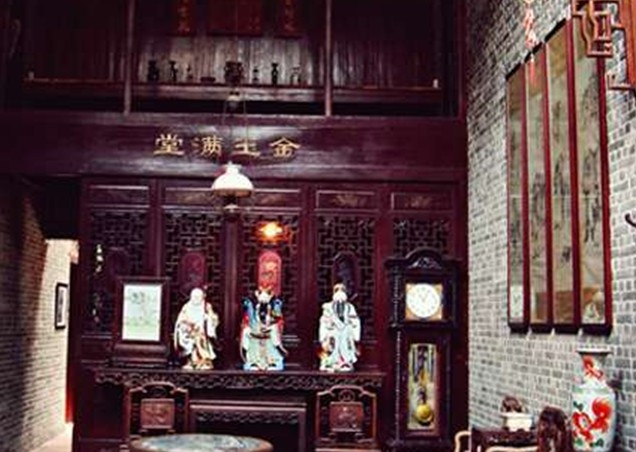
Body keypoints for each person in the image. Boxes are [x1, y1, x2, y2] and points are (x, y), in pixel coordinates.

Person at [240, 287, 286, 371]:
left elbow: (279, 321)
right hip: (255, 336)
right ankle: (253, 362)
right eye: (260, 292)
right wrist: (249, 330)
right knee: (249, 337)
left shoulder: (274, 307)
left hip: (269, 336)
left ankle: (273, 362)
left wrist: (272, 328)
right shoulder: (252, 307)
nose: (263, 296)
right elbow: (245, 322)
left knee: (272, 343)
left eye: (267, 293)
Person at [173, 287, 219, 370]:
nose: (196, 299)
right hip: (190, 331)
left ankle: (204, 361)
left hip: (202, 331)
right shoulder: (186, 307)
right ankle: (191, 361)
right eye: (194, 297)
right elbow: (181, 320)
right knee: (190, 341)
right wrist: (186, 325)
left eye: (198, 297)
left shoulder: (206, 306)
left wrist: (208, 319)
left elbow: (213, 318)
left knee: (200, 339)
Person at [318, 283, 361, 372]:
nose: (340, 292)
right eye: (337, 290)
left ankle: (345, 363)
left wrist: (353, 328)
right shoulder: (328, 307)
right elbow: (324, 320)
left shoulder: (350, 307)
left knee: (345, 346)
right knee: (332, 346)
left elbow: (354, 320)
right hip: (333, 330)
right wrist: (329, 323)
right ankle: (331, 363)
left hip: (346, 331)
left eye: (342, 290)